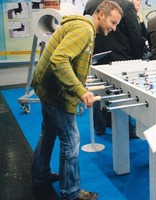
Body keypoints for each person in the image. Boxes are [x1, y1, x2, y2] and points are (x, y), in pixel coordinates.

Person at [30, 1, 123, 199]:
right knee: (71, 141)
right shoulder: (83, 29)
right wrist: (81, 91)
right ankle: (70, 192)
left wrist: (80, 86)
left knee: (48, 132)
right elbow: (59, 60)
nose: (114, 28)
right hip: (55, 93)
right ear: (100, 14)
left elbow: (68, 60)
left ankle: (40, 175)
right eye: (113, 22)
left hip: (46, 87)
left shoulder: (82, 26)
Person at [84, 0, 144, 138]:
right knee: (121, 94)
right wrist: (137, 59)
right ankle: (126, 128)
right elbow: (135, 35)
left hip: (97, 57)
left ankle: (99, 126)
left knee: (96, 89)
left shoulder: (90, 4)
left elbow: (87, 28)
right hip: (121, 59)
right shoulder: (126, 5)